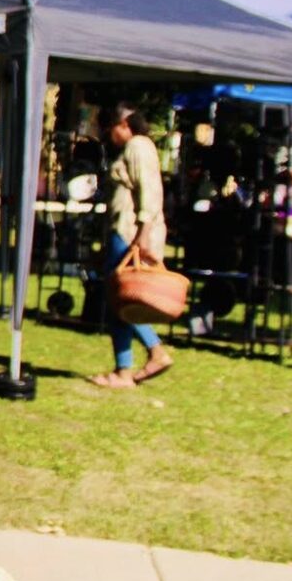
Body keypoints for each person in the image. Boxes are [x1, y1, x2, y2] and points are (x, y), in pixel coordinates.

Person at [90, 102, 174, 389]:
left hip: (130, 232)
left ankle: (153, 352)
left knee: (121, 298)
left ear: (124, 125)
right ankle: (124, 370)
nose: (108, 134)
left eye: (110, 128)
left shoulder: (138, 146)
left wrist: (144, 232)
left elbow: (150, 190)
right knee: (119, 299)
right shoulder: (135, 148)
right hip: (123, 229)